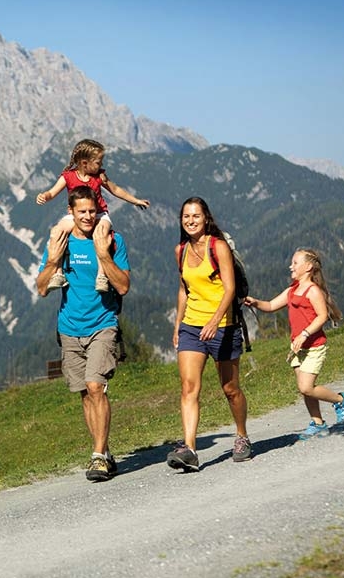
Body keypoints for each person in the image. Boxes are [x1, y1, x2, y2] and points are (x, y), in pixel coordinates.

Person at [36, 185, 130, 482]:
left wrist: (103, 255)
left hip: (103, 324)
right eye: (82, 212)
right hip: (69, 329)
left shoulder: (113, 240)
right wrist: (53, 261)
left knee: (95, 386)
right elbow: (42, 288)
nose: (88, 217)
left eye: (92, 211)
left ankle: (98, 456)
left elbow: (123, 286)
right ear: (71, 212)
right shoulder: (61, 243)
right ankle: (104, 452)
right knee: (85, 394)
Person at [168, 197, 251, 472]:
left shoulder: (218, 246)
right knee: (189, 387)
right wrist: (178, 324)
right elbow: (184, 289)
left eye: (196, 216)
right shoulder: (180, 250)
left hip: (223, 326)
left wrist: (215, 321)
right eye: (186, 216)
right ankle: (190, 449)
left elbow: (229, 288)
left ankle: (242, 435)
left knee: (230, 389)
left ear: (206, 218)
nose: (190, 221)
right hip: (192, 327)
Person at [244, 249, 344, 440]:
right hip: (298, 348)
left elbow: (322, 316)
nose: (290, 266)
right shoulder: (292, 290)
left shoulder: (313, 291)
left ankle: (341, 400)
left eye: (295, 263)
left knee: (306, 387)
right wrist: (255, 302)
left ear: (308, 267)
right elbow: (270, 305)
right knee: (305, 389)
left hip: (314, 347)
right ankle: (318, 423)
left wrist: (304, 334)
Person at [36, 139, 148, 294]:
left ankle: (101, 276)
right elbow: (52, 192)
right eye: (98, 162)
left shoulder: (99, 176)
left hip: (100, 213)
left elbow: (115, 189)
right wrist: (45, 196)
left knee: (100, 235)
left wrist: (135, 200)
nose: (101, 165)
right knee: (57, 232)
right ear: (84, 163)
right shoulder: (68, 176)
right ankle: (58, 273)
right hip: (76, 215)